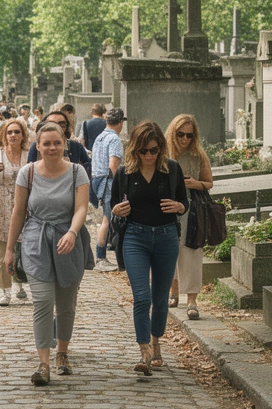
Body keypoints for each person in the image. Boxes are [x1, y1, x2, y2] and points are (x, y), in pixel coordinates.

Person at [5, 121, 92, 386]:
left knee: (66, 304)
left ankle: (62, 352)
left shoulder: (78, 173)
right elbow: (19, 212)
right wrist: (9, 249)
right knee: (42, 301)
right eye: (46, 143)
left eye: (57, 143)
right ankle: (43, 363)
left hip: (68, 241)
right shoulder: (27, 173)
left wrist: (72, 232)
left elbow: (81, 209)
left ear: (64, 144)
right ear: (38, 146)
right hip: (36, 242)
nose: (51, 148)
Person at [110, 122, 188, 374]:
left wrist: (179, 207)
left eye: (154, 150)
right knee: (142, 297)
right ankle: (144, 350)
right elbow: (112, 205)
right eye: (144, 150)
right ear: (135, 149)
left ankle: (156, 344)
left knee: (160, 299)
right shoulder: (125, 173)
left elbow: (184, 203)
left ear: (161, 149)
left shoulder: (171, 169)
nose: (149, 155)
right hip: (135, 236)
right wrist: (116, 210)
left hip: (166, 237)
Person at [166, 113, 214, 318]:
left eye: (189, 135)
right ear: (172, 134)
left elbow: (209, 182)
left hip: (192, 209)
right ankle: (173, 290)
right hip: (168, 208)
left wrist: (196, 184)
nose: (185, 139)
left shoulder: (198, 155)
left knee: (192, 253)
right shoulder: (163, 154)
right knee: (170, 252)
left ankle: (192, 300)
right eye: (180, 135)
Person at [0, 118, 30, 305]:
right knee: (2, 250)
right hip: (1, 205)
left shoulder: (28, 154)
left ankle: (19, 282)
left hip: (23, 205)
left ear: (22, 135)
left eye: (17, 132)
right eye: (10, 132)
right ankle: (5, 290)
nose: (13, 135)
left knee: (23, 247)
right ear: (4, 135)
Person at [92, 108, 125, 272]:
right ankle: (101, 257)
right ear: (120, 122)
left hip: (97, 179)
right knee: (106, 219)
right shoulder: (114, 139)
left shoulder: (100, 137)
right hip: (108, 180)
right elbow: (113, 165)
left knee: (105, 219)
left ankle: (101, 256)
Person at [26, 110, 92, 177]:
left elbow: (87, 168)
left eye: (62, 125)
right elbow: (30, 172)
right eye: (52, 124)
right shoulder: (36, 146)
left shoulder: (76, 146)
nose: (57, 127)